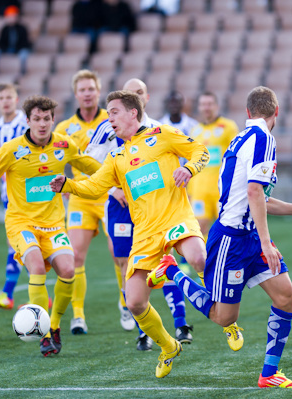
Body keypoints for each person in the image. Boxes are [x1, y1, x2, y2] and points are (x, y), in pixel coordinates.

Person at [145, 86, 292, 388]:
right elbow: (254, 192)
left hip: (248, 236)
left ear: (248, 113)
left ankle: (269, 374)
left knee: (287, 297)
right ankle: (170, 270)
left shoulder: (244, 138)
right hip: (231, 241)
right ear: (277, 112)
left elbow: (259, 197)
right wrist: (266, 243)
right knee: (223, 318)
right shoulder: (263, 139)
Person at [50, 90, 210, 378]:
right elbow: (94, 187)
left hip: (176, 218)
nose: (108, 118)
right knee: (135, 301)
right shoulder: (117, 156)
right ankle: (169, 346)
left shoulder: (162, 134)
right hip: (146, 233)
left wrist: (188, 168)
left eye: (113, 112)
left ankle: (224, 311)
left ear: (133, 113)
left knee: (198, 258)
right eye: (108, 113)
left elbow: (201, 151)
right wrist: (68, 186)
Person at [0, 95, 102, 356]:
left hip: (54, 225)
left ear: (53, 120)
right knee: (34, 266)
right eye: (37, 119)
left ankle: (53, 326)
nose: (42, 124)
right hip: (21, 223)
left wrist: (119, 175)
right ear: (28, 121)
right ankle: (42, 334)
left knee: (68, 269)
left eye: (47, 119)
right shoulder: (11, 150)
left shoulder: (65, 145)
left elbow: (90, 165)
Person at [85, 78, 195, 351]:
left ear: (146, 98)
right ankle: (141, 328)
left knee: (166, 261)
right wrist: (114, 189)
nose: (135, 96)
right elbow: (90, 162)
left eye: (139, 92)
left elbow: (176, 163)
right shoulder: (106, 127)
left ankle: (180, 322)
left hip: (157, 209)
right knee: (126, 264)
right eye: (130, 93)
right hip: (121, 206)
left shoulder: (158, 129)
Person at [53, 69, 109, 335]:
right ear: (76, 94)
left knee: (120, 254)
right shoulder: (64, 128)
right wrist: (63, 182)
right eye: (82, 89)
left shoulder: (112, 120)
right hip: (80, 198)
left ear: (98, 92)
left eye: (91, 89)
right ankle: (78, 316)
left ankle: (125, 306)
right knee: (75, 256)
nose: (87, 93)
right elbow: (52, 159)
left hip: (111, 196)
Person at [0, 83, 28, 310]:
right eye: (1, 97)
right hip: (6, 192)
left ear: (16, 98)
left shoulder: (25, 124)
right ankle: (12, 293)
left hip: (25, 192)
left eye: (9, 96)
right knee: (15, 243)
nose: (6, 101)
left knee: (23, 241)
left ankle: (11, 293)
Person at [188, 92, 239, 237]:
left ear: (216, 106)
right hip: (199, 191)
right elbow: (192, 161)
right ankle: (203, 260)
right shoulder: (195, 131)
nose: (206, 108)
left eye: (209, 104)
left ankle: (224, 259)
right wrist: (190, 191)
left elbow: (236, 157)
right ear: (199, 107)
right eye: (203, 104)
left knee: (225, 228)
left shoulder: (228, 127)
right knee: (198, 230)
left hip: (221, 190)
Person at [0, 5, 31, 74]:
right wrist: (6, 49)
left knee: (24, 54)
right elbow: (0, 43)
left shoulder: (22, 28)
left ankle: (22, 72)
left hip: (19, 50)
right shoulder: (4, 29)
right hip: (6, 50)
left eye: (13, 16)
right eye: (10, 16)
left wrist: (16, 50)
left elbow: (25, 43)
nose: (12, 18)